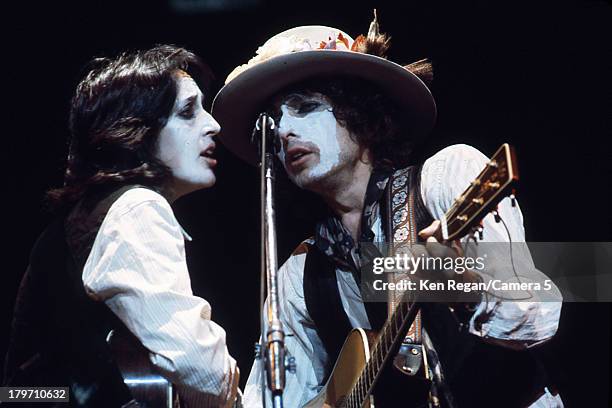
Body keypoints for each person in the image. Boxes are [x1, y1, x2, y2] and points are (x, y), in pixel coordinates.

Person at [212, 16, 563, 408]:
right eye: (274, 122)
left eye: (306, 107)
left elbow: (537, 314)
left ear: (360, 115)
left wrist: (463, 287)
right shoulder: (299, 275)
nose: (283, 131)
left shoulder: (446, 179)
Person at [4, 45, 239, 407]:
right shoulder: (135, 209)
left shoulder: (83, 218)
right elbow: (202, 370)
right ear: (137, 131)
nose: (214, 125)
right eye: (189, 112)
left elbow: (23, 393)